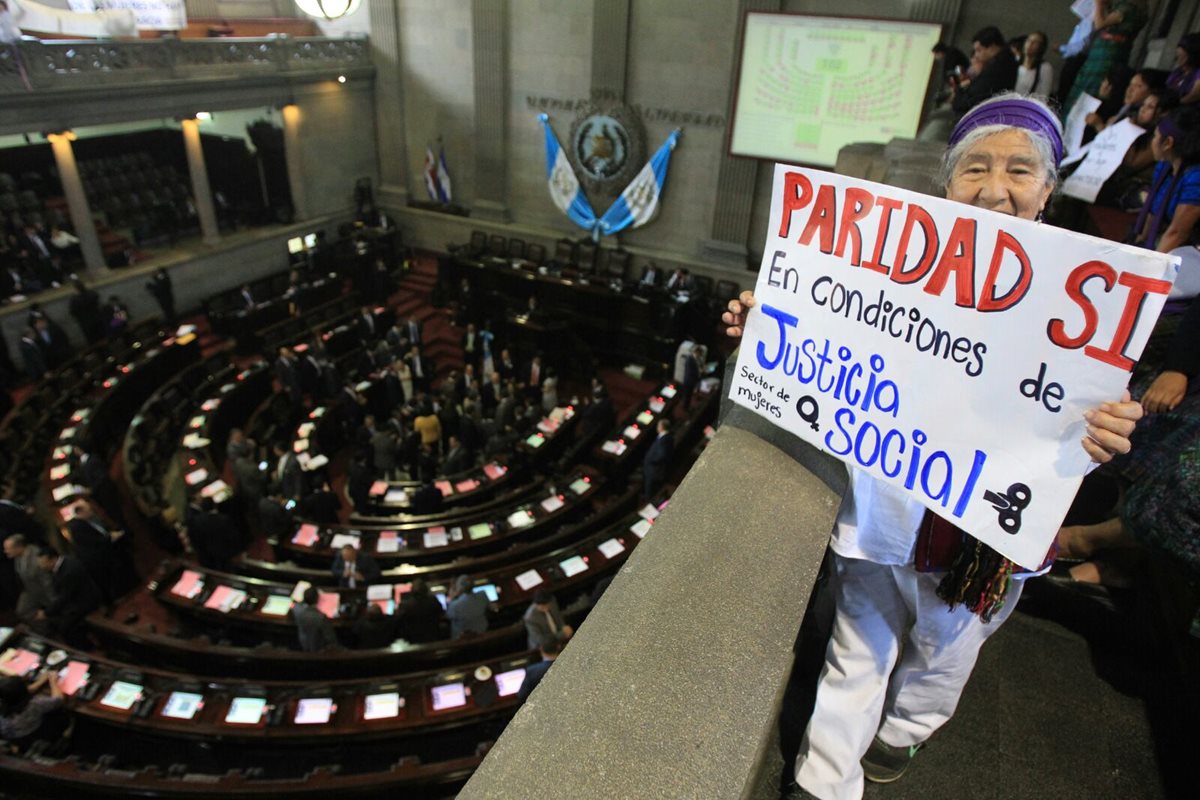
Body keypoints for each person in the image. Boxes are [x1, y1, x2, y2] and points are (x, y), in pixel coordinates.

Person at [722, 94, 1143, 799]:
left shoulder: (1087, 311)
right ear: (948, 182)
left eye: (1019, 169)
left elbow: (1083, 414)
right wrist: (768, 324)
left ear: (1049, 187)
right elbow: (833, 327)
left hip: (978, 539)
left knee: (942, 653)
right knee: (857, 645)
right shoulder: (888, 266)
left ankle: (905, 731)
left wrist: (1107, 434)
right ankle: (824, 783)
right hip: (883, 508)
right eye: (974, 168)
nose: (994, 188)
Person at [1063, 0, 1150, 116]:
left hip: (1107, 56)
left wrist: (1099, 3)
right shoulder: (1122, 6)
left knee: (1090, 93)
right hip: (1100, 53)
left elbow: (1100, 24)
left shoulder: (1128, 8)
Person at [951, 27, 1017, 117]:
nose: (976, 55)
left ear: (992, 47)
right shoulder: (1003, 62)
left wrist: (959, 93)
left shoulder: (999, 67)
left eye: (979, 50)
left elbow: (973, 98)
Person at [0, 672, 69, 751]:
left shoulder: (5, 700)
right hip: (29, 733)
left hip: (9, 734)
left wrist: (39, 682)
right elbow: (58, 700)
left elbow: (16, 694)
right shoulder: (34, 705)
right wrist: (53, 682)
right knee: (61, 714)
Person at [3, 534, 56, 625]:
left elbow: (47, 582)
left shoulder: (37, 557)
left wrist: (54, 604)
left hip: (44, 591)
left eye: (8, 549)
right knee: (22, 611)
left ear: (19, 547)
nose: (5, 551)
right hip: (30, 590)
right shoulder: (17, 558)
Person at [396, 578, 444, 643]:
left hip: (412, 641)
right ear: (426, 589)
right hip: (432, 639)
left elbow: (399, 622)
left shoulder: (405, 605)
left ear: (411, 590)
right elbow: (441, 614)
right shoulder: (433, 601)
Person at [291, 586, 339, 652]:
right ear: (317, 599)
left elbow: (296, 605)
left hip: (303, 647)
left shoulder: (297, 611)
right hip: (318, 651)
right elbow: (331, 639)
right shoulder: (321, 617)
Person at [517, 638, 562, 703]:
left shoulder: (532, 671)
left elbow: (521, 696)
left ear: (541, 649)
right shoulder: (570, 664)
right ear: (558, 646)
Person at [1014, 31, 1053, 98]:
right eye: (1028, 40)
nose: (1030, 44)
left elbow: (1044, 96)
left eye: (1035, 42)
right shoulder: (1015, 61)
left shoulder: (1045, 68)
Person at [642, 418, 674, 498]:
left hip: (655, 472)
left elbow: (662, 455)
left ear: (661, 427)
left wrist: (650, 461)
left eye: (658, 425)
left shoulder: (664, 439)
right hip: (653, 471)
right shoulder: (663, 437)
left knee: (651, 496)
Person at [1167, 32, 1200, 106]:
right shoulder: (1178, 72)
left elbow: (1194, 95)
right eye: (1178, 56)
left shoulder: (1198, 73)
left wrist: (1172, 105)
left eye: (1183, 57)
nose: (1178, 60)